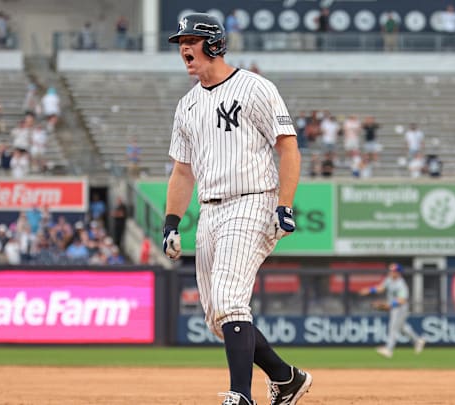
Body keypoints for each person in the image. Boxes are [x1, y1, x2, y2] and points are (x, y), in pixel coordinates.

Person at [163, 13, 311, 405]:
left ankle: (240, 395)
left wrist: (284, 205)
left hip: (252, 201)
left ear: (213, 44)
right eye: (180, 42)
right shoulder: (187, 105)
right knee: (218, 318)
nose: (183, 48)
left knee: (230, 301)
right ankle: (285, 377)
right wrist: (171, 222)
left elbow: (288, 147)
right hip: (209, 212)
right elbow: (182, 170)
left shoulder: (254, 87)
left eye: (191, 40)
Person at [359, 262, 426, 359]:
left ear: (398, 273)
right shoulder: (389, 279)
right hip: (394, 307)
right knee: (402, 328)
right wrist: (369, 290)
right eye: (390, 270)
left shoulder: (401, 284)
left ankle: (389, 350)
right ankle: (418, 340)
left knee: (393, 327)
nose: (391, 272)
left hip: (401, 308)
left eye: (393, 271)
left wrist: (388, 305)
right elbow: (381, 288)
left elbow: (402, 300)